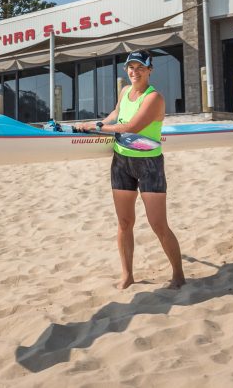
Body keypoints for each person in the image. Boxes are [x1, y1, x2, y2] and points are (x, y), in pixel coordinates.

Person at [78, 50, 185, 290]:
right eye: (130, 67)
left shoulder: (154, 97)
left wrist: (92, 126)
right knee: (124, 222)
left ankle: (178, 274)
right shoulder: (125, 91)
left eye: (139, 67)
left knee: (158, 224)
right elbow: (117, 115)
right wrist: (100, 124)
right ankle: (127, 275)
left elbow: (132, 126)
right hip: (122, 163)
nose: (134, 72)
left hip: (149, 165)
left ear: (149, 70)